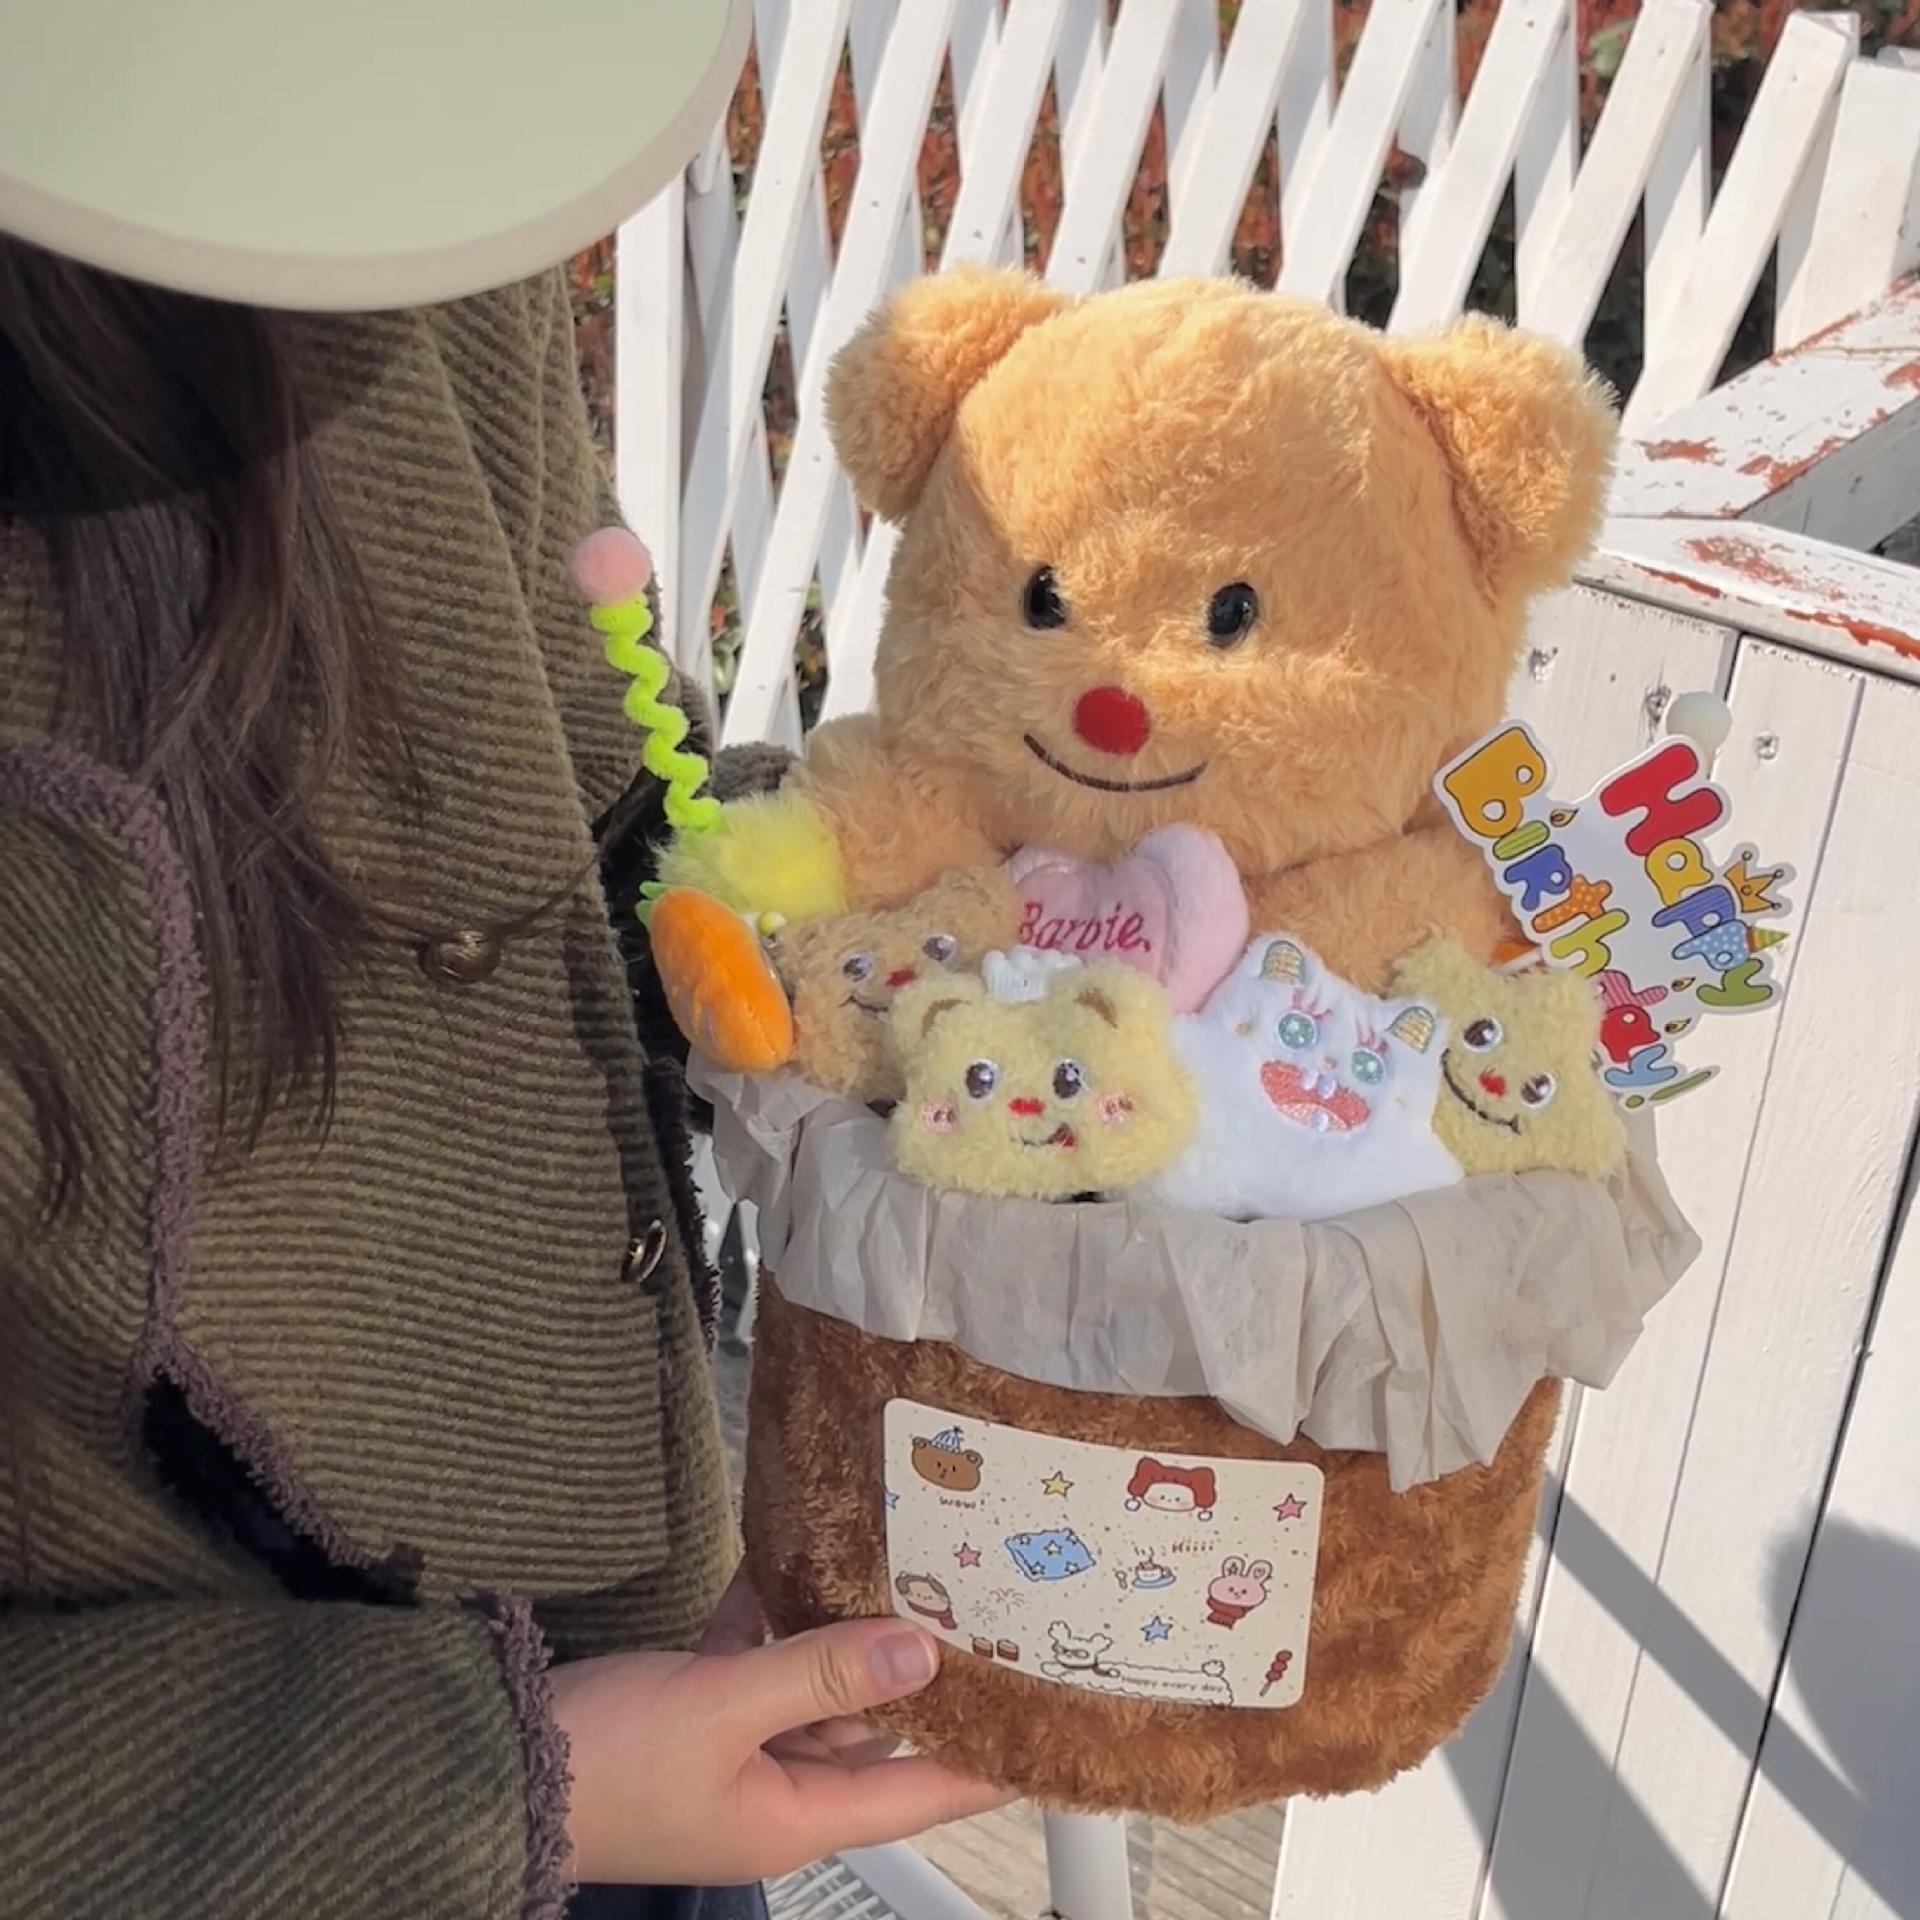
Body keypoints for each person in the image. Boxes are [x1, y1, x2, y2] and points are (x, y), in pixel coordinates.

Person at [0, 6, 1007, 1916]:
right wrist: (498, 1784)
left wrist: (953, 891)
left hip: (631, 1666)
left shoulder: (393, 171)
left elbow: (605, 789)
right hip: (308, 1812)